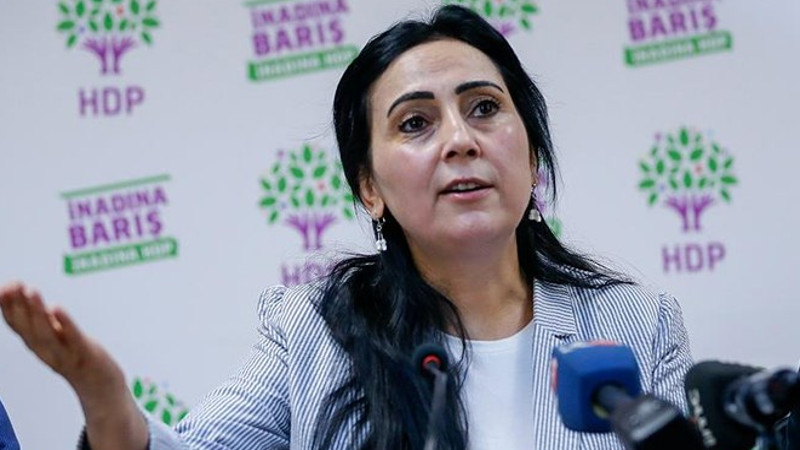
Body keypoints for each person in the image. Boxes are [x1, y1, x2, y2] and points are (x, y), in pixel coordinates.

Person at [0, 5, 692, 450]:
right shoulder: (316, 332)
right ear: (369, 188)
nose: (461, 140)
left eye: (484, 108)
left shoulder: (638, 325)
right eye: (416, 122)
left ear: (532, 154)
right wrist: (108, 405)